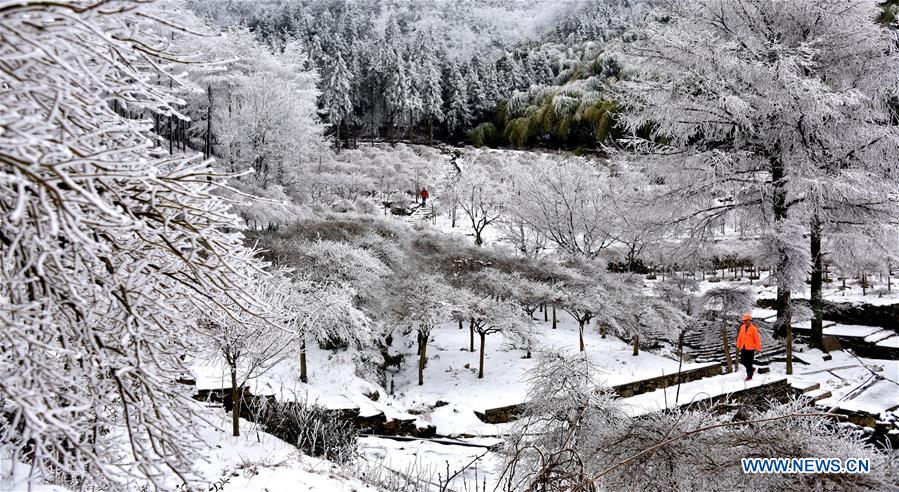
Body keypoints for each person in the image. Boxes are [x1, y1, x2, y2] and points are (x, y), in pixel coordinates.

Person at [736, 312, 762, 381]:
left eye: (747, 320)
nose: (745, 322)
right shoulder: (742, 327)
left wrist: (758, 348)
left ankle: (749, 376)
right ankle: (752, 369)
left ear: (750, 320)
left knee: (749, 363)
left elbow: (757, 339)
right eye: (744, 320)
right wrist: (738, 345)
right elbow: (739, 337)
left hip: (751, 349)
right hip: (743, 347)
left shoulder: (753, 329)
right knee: (743, 361)